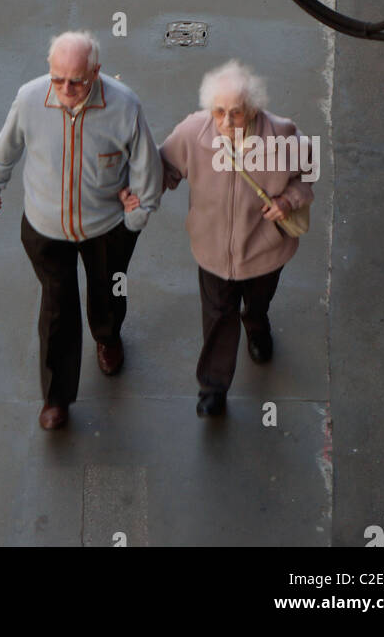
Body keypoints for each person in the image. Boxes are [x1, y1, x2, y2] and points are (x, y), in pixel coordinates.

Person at [0, 31, 163, 430]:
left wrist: (137, 218)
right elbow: (6, 146)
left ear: (95, 72)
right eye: (58, 78)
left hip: (108, 227)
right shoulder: (30, 98)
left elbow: (148, 169)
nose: (66, 88)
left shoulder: (125, 105)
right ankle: (57, 397)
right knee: (57, 306)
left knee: (110, 287)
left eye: (76, 80)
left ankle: (108, 335)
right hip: (46, 230)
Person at [124, 59, 314, 417]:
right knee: (217, 316)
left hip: (265, 250)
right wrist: (139, 194)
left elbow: (307, 171)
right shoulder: (193, 132)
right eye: (219, 112)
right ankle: (212, 386)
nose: (226, 122)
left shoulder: (283, 134)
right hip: (212, 252)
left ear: (254, 109)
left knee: (257, 303)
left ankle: (257, 326)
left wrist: (288, 200)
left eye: (237, 113)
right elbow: (164, 168)